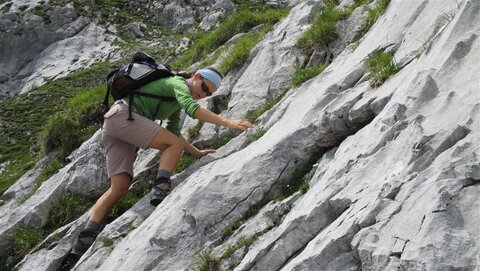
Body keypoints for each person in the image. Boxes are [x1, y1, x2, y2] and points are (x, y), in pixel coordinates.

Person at [72, 67, 253, 255]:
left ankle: (85, 237)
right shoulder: (177, 83)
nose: (204, 94)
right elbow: (192, 110)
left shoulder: (174, 99)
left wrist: (197, 152)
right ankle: (161, 187)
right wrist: (228, 122)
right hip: (123, 116)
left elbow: (174, 133)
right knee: (172, 145)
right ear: (197, 77)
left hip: (113, 123)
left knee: (119, 188)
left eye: (209, 93)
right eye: (205, 87)